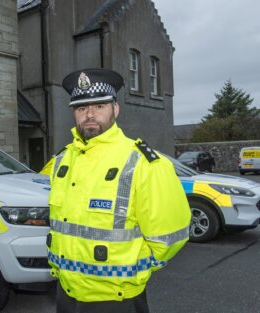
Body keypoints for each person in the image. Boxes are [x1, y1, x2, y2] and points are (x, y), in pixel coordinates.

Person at [46, 68, 192, 313]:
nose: (89, 114)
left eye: (99, 106)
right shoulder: (61, 161)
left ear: (115, 109)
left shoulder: (143, 162)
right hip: (66, 294)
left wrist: (133, 271)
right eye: (81, 108)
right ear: (74, 113)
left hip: (117, 299)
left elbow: (170, 237)